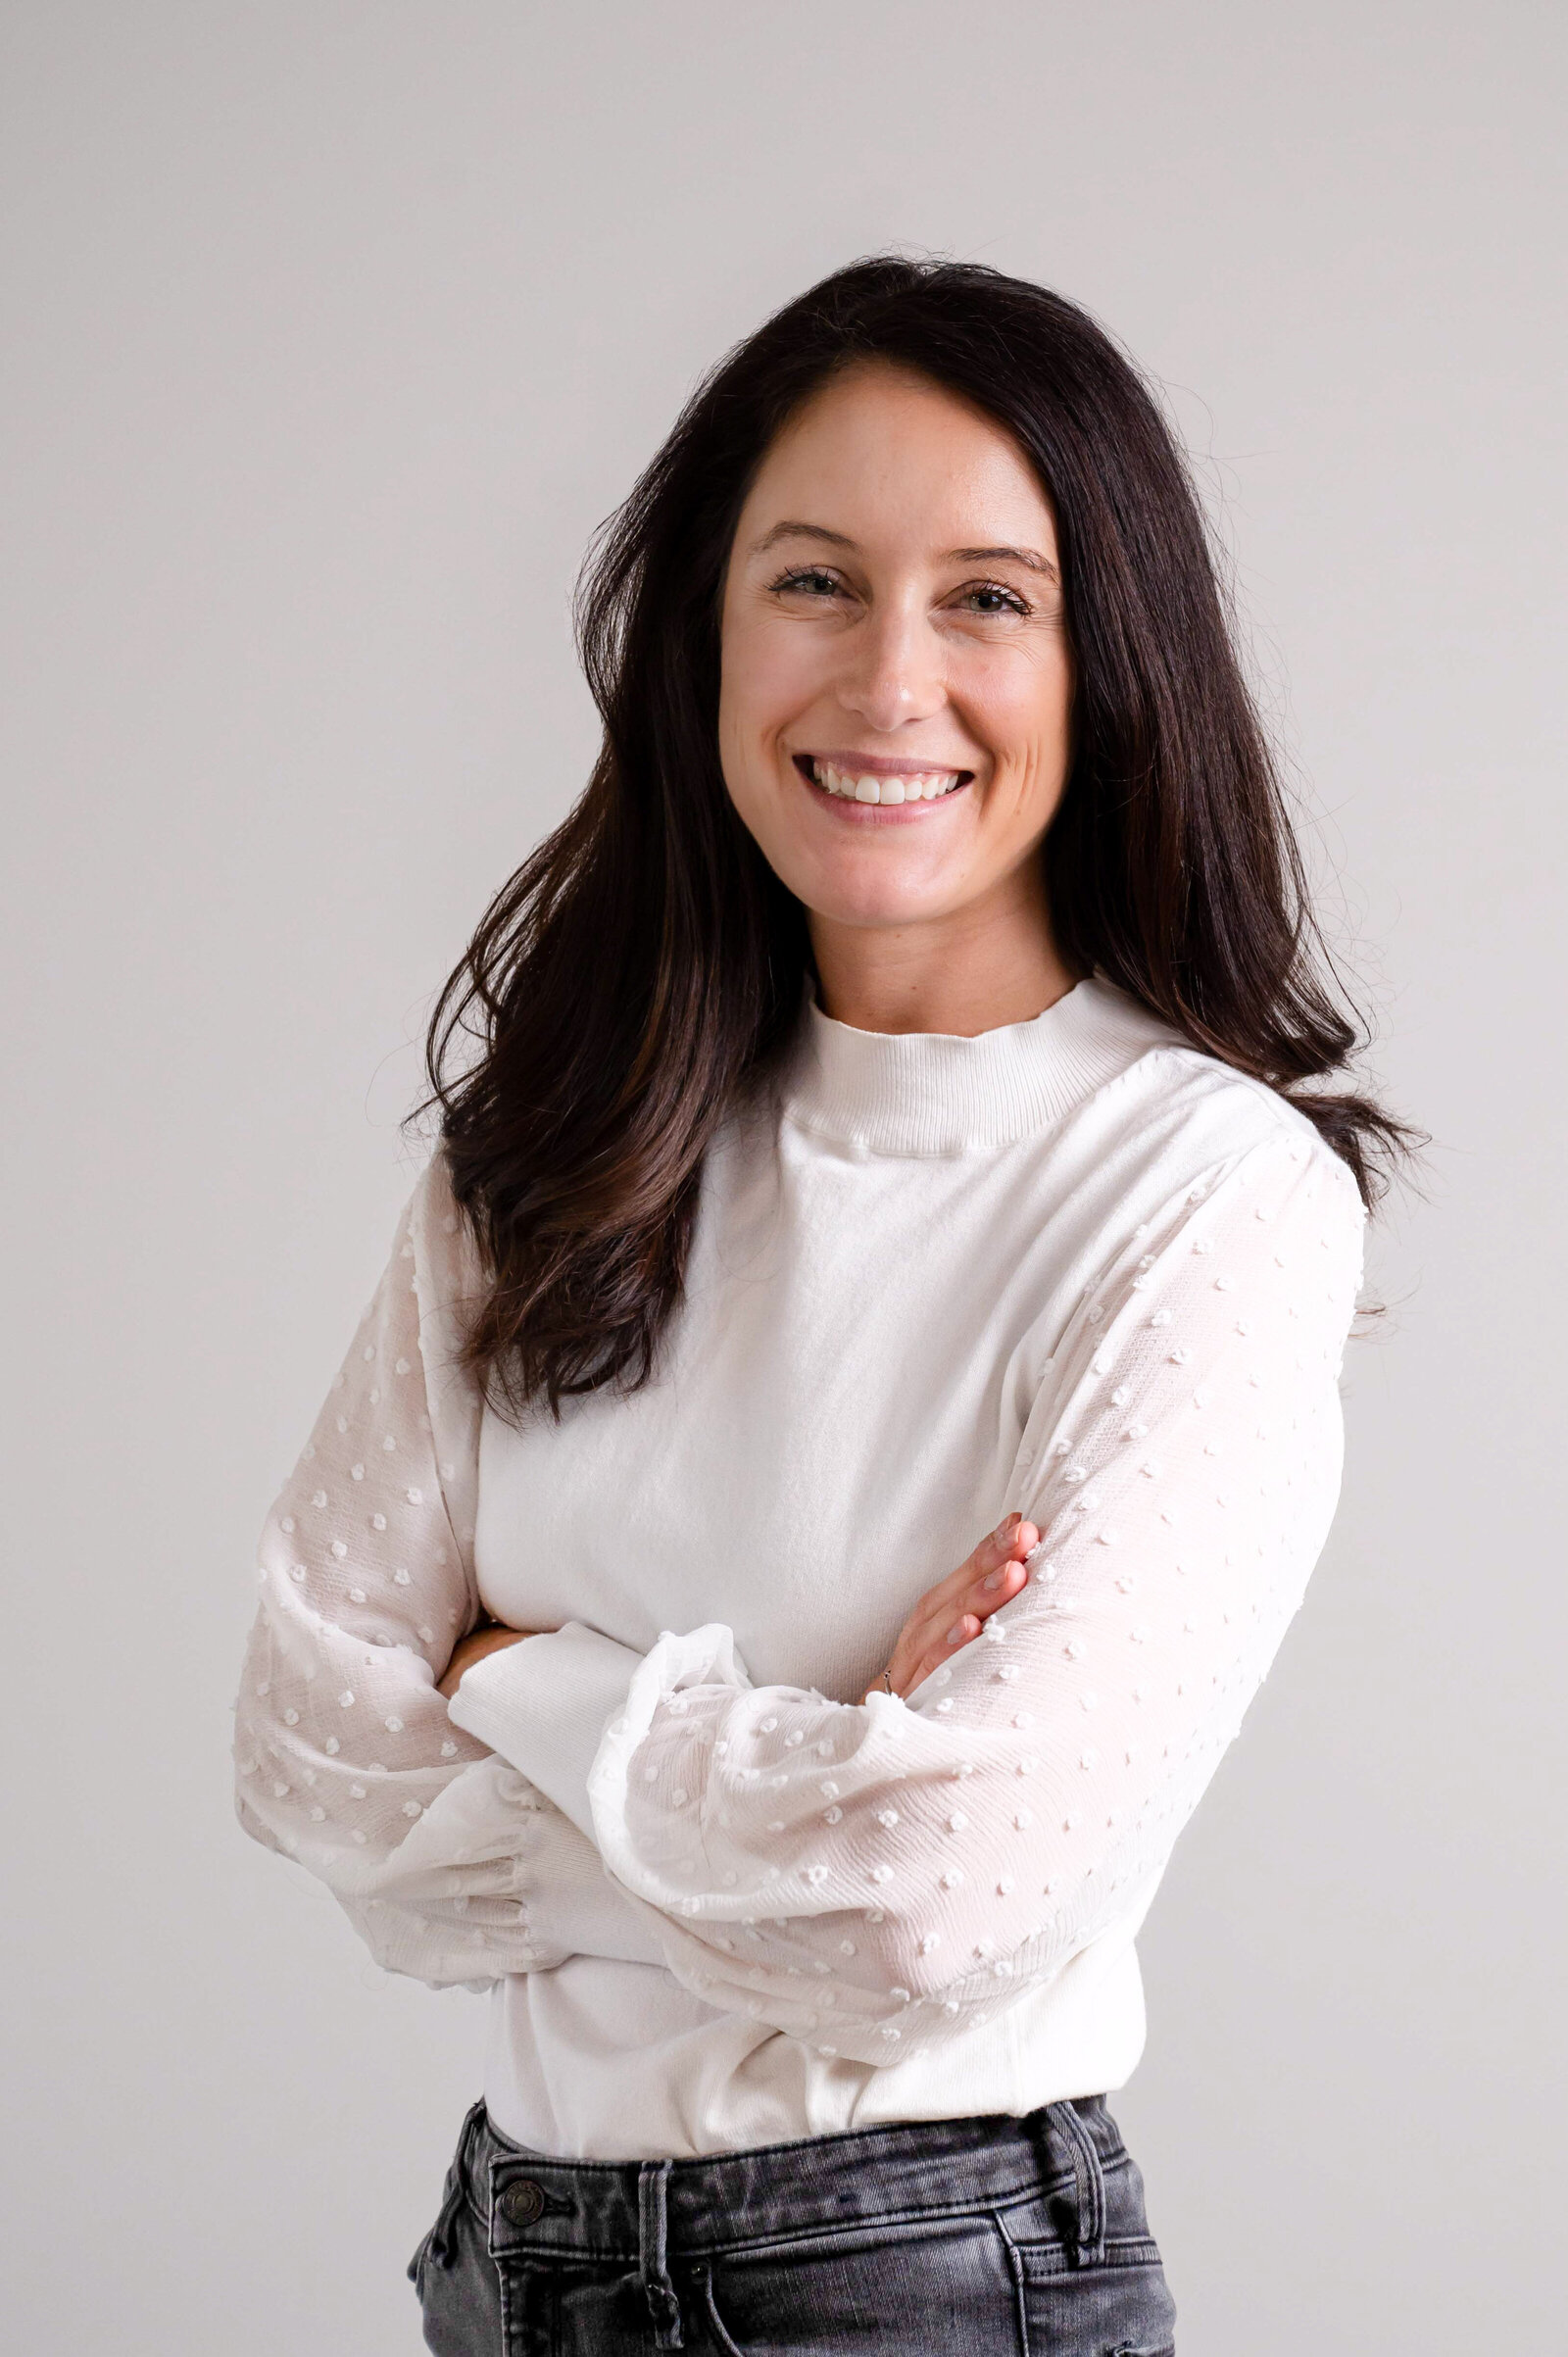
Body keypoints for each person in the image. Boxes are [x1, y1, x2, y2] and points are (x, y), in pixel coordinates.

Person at [233, 255, 1415, 2354]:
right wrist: (817, 1764)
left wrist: (520, 1675)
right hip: (513, 2266)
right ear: (699, 631)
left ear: (1105, 663)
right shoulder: (556, 1146)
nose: (885, 684)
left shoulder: (1199, 1195)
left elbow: (933, 1907)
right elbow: (311, 1751)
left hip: (914, 2277)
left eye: (985, 596)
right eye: (811, 580)